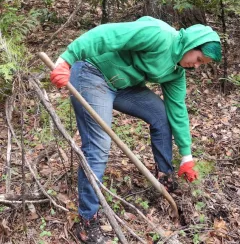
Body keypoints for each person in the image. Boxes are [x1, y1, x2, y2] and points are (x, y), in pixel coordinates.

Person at [50, 16, 221, 244]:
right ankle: (87, 220)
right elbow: (106, 34)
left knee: (163, 115)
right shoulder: (158, 34)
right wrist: (66, 60)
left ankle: (164, 178)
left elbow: (177, 110)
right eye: (198, 59)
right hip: (92, 73)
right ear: (191, 45)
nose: (197, 66)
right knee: (99, 146)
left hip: (123, 85)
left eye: (203, 64)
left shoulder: (176, 72)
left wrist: (186, 155)